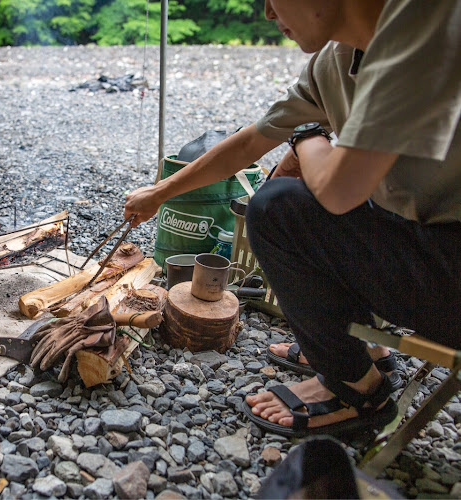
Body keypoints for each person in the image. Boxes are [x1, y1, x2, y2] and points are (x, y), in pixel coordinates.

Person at [124, 0, 461, 437]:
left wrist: (306, 136)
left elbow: (338, 191)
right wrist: (160, 193)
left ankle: (355, 389)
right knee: (282, 206)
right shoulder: (336, 59)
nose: (267, 13)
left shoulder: (425, 26)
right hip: (425, 245)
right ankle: (360, 350)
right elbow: (251, 143)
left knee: (280, 207)